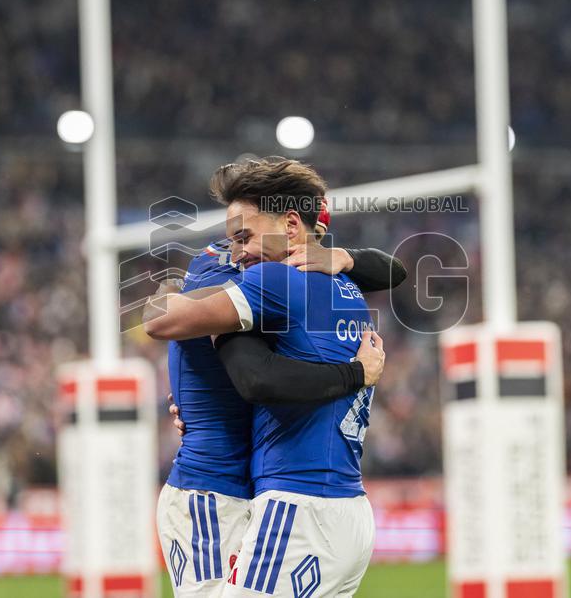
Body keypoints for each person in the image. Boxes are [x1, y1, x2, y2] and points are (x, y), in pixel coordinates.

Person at [145, 158, 394, 597]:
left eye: (244, 237)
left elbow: (251, 376)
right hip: (313, 502)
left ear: (293, 225)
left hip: (276, 501)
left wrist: (170, 293)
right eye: (233, 240)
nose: (239, 251)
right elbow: (393, 269)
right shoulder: (348, 286)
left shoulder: (272, 279)